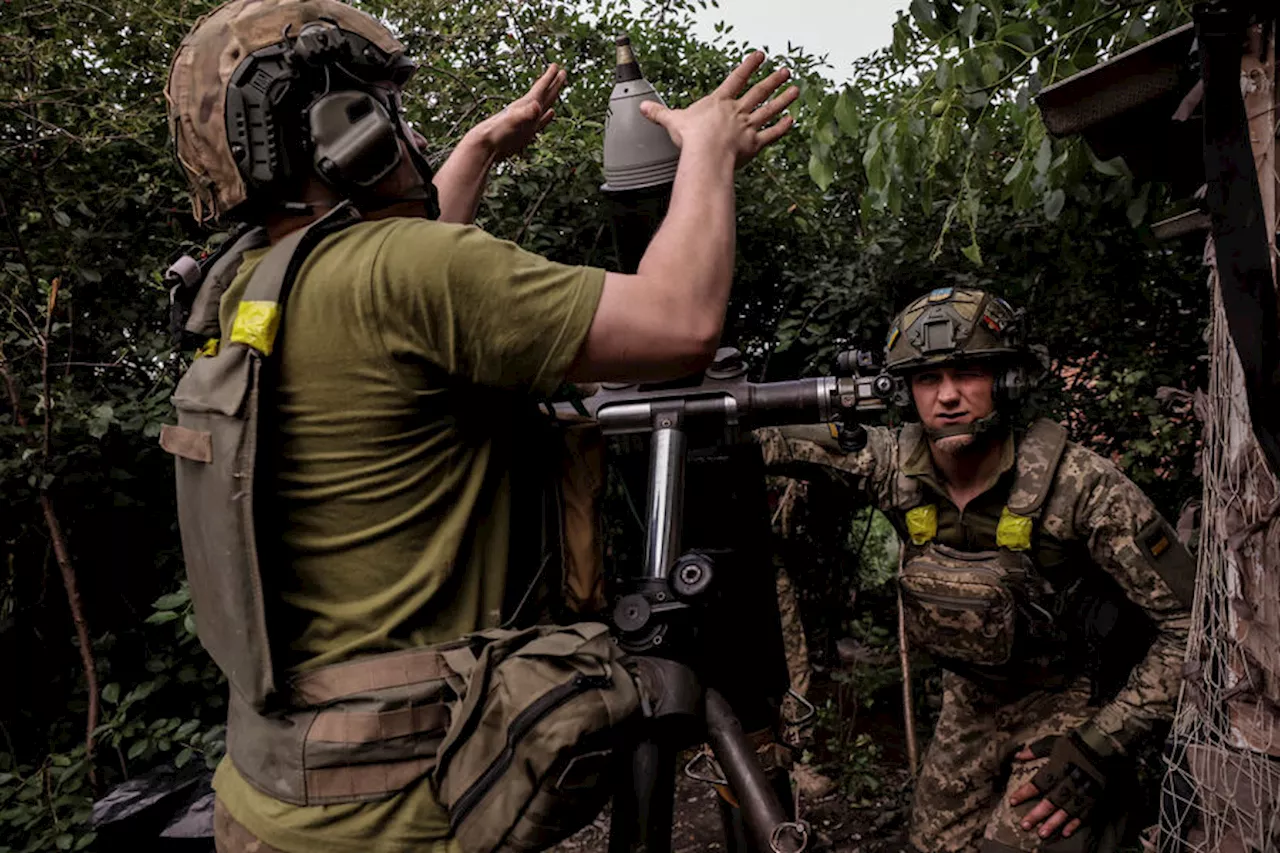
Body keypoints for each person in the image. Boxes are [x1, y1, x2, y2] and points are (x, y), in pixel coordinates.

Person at [162, 1, 798, 851]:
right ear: (338, 126)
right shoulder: (410, 272)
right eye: (388, 109)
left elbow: (403, 293)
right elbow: (679, 322)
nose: (408, 132)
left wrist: (478, 152)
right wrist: (709, 152)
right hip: (401, 812)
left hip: (273, 797)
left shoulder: (243, 288)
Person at [755, 287, 1194, 853]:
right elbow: (766, 440)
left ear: (1008, 380)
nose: (948, 398)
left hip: (1067, 702)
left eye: (968, 373)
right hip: (969, 705)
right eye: (927, 379)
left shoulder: (1079, 485)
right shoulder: (893, 466)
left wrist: (1100, 747)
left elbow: (1188, 629)